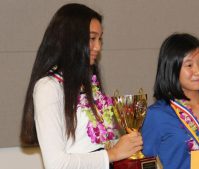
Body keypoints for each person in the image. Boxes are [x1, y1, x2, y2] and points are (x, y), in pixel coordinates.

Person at [20, 3, 142, 169]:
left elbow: (95, 144)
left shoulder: (89, 84)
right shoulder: (48, 87)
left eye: (100, 39)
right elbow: (56, 164)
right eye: (92, 38)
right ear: (70, 40)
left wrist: (125, 146)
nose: (98, 47)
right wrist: (112, 154)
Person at [141, 33, 199, 169]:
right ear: (171, 69)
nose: (198, 71)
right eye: (189, 65)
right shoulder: (157, 114)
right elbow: (144, 162)